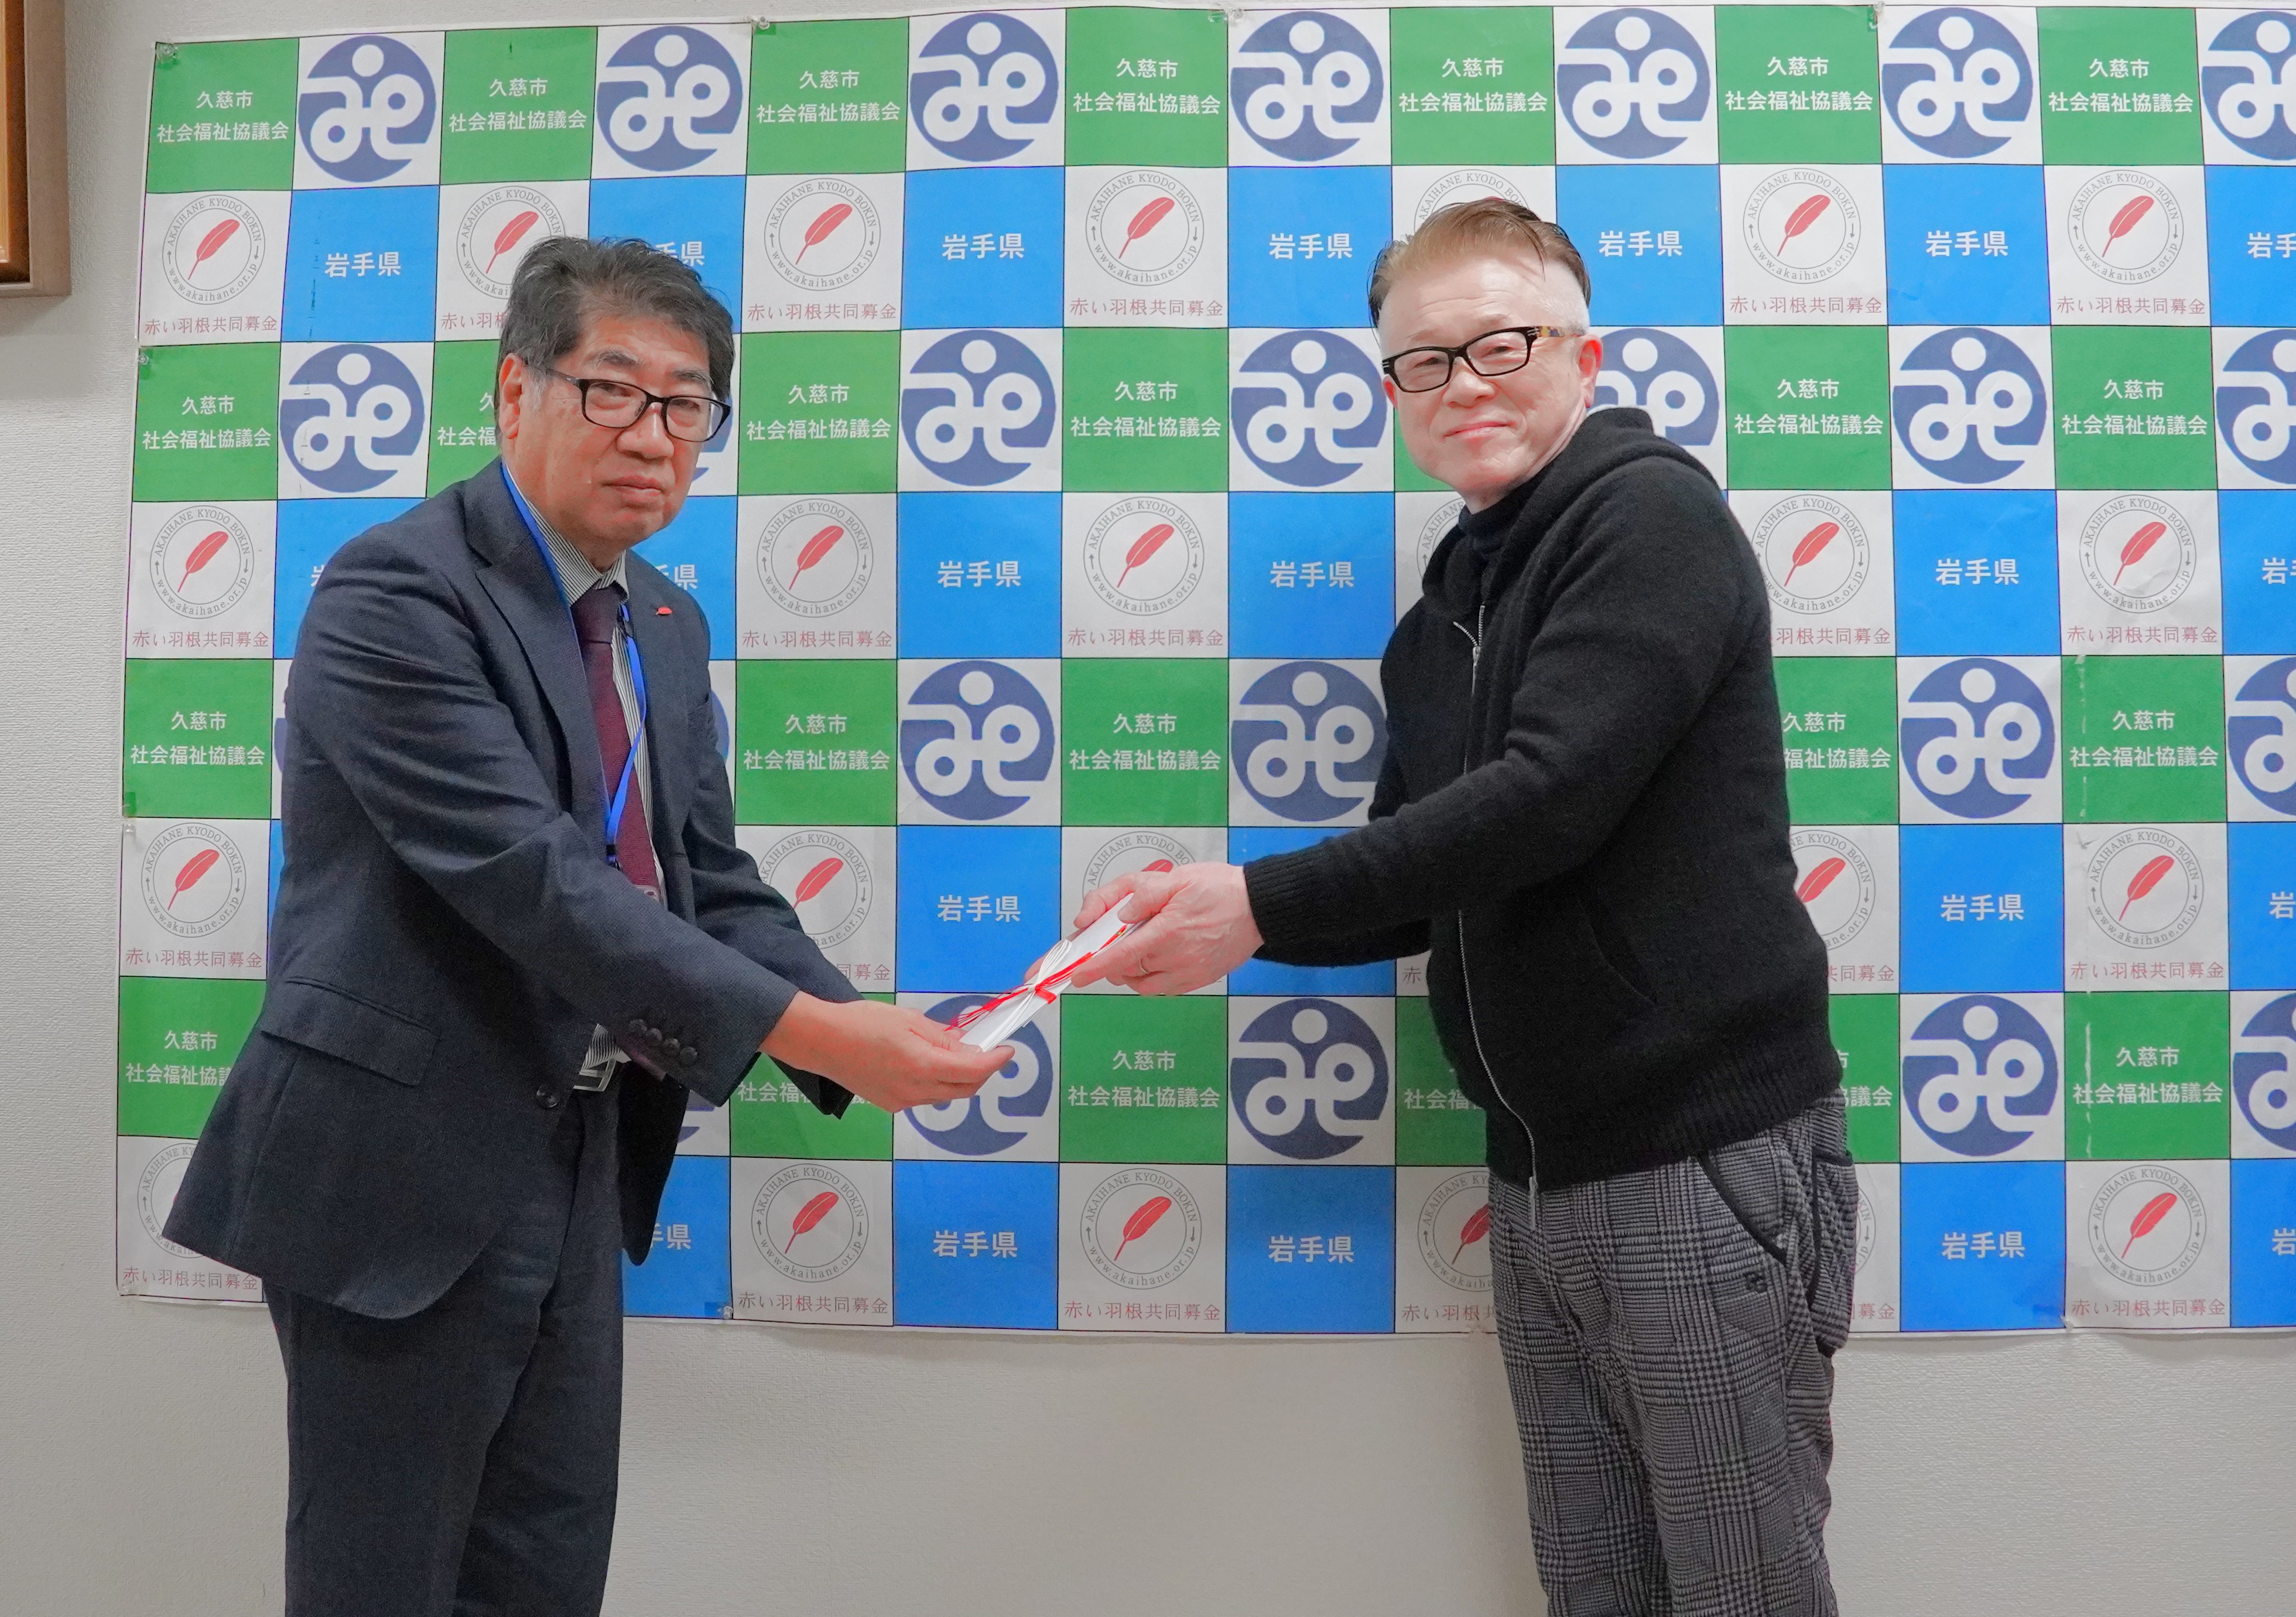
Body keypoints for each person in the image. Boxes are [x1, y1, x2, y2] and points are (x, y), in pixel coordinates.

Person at [166, 237, 1011, 1617]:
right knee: (383, 1581)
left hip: (578, 1151)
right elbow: (531, 876)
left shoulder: (660, 619)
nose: (651, 434)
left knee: (545, 1572)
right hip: (398, 1171)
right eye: (610, 389)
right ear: (516, 392)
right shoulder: (397, 591)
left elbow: (703, 877)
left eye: (686, 406)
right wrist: (813, 1034)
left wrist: (853, 1020)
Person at [1071, 198, 1856, 1616]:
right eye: (1422, 362)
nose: (1462, 384)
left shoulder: (1649, 517)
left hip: (1693, 1154)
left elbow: (1551, 799)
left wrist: (1251, 901)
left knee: (1740, 1590)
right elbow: (1416, 879)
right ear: (1391, 392)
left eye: (1502, 344)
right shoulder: (1440, 613)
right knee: (1594, 1589)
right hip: (1539, 1175)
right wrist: (1203, 919)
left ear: (1583, 355)